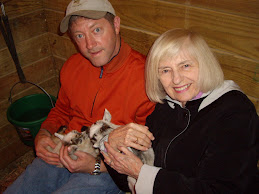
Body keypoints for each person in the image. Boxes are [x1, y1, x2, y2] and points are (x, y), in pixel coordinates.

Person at [4, 0, 155, 193]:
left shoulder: (145, 77)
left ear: (116, 25)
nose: (89, 44)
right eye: (80, 35)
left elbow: (146, 153)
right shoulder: (72, 66)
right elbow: (61, 110)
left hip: (110, 166)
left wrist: (96, 166)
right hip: (66, 146)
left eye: (97, 30)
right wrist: (43, 133)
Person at [102, 28, 259, 193]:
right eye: (165, 70)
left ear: (205, 64)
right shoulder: (166, 107)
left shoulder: (235, 112)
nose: (176, 79)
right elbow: (127, 179)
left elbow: (221, 189)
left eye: (185, 65)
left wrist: (142, 173)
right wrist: (111, 145)